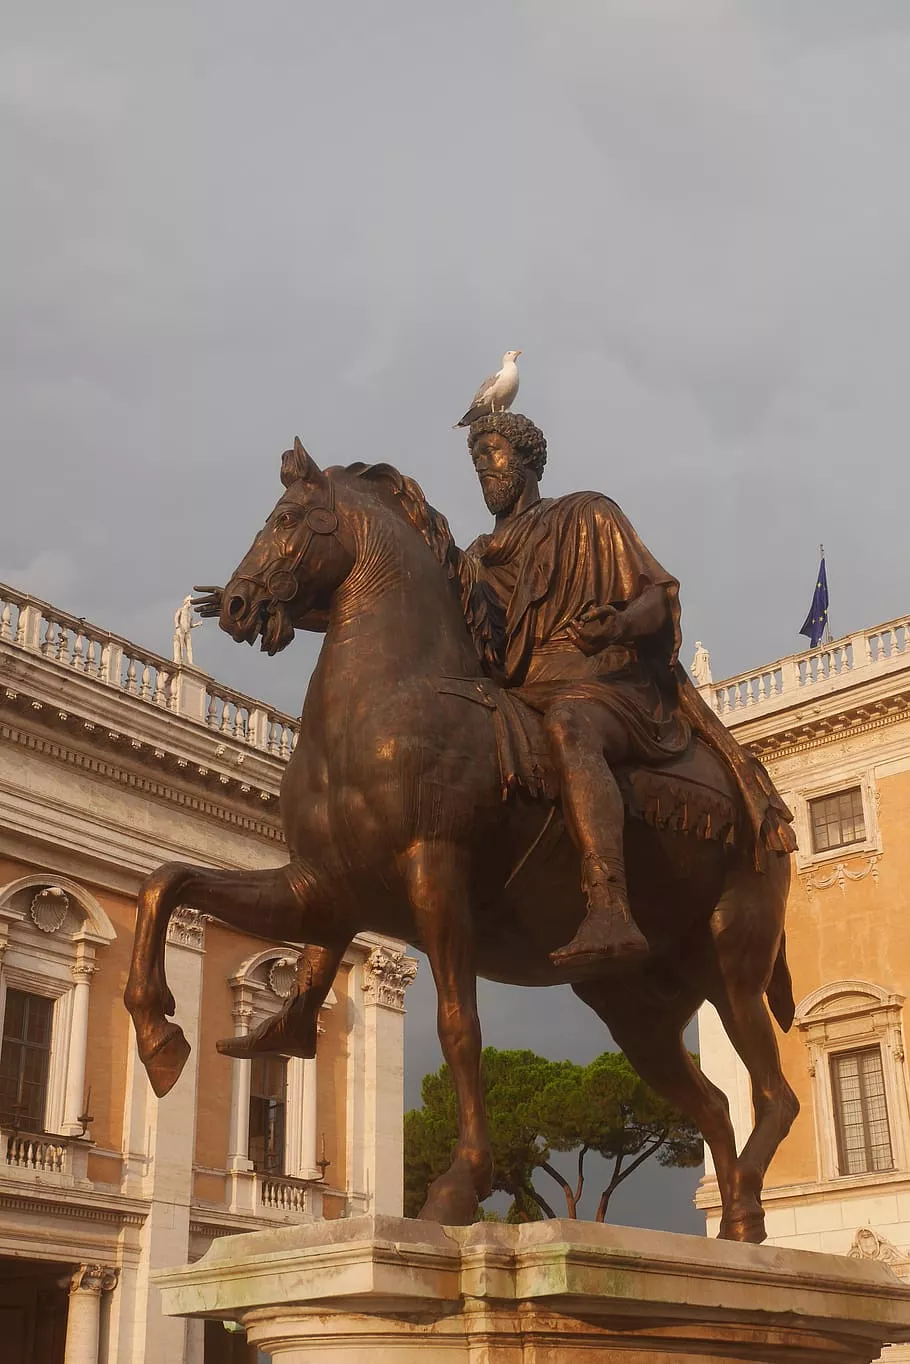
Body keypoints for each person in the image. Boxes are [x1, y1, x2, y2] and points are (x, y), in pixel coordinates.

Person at [461, 413, 794, 970]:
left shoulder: (588, 515)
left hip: (602, 683)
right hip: (524, 691)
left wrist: (616, 625)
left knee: (570, 725)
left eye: (492, 454)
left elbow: (654, 599)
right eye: (476, 462)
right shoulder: (476, 559)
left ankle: (608, 902)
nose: (483, 470)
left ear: (524, 459)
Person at [173, 594, 201, 667]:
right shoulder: (181, 610)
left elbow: (191, 625)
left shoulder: (190, 614)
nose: (191, 604)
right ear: (187, 601)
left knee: (189, 647)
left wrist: (198, 624)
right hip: (181, 629)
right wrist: (177, 626)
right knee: (181, 645)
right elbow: (176, 618)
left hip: (187, 631)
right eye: (190, 602)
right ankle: (181, 659)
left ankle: (190, 662)